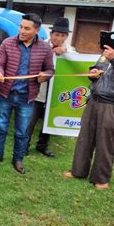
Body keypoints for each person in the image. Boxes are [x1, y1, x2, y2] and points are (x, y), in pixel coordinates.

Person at [0, 13, 54, 174]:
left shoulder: (45, 48)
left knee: (22, 131)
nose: (22, 31)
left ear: (36, 30)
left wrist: (45, 76)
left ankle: (18, 159)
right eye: (21, 27)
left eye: (27, 28)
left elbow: (50, 69)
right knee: (1, 126)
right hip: (6, 94)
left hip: (27, 97)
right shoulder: (8, 43)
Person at [63, 24, 114, 190]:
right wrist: (94, 72)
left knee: (106, 143)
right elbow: (98, 68)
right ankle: (78, 171)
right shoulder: (110, 51)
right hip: (94, 101)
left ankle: (101, 179)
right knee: (85, 138)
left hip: (113, 106)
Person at [26, 17, 71, 157]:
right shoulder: (40, 46)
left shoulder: (70, 51)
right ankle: (24, 145)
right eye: (56, 34)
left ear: (67, 36)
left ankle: (42, 145)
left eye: (63, 35)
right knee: (31, 120)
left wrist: (66, 54)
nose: (59, 38)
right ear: (51, 34)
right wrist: (52, 53)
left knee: (49, 119)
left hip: (57, 91)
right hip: (39, 90)